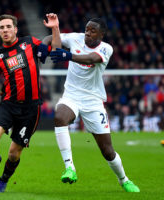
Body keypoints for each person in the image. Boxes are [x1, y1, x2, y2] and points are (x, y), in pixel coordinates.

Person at [43, 18, 140, 192]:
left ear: (101, 34)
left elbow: (91, 58)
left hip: (93, 101)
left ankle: (123, 179)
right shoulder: (75, 38)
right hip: (71, 95)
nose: (87, 33)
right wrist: (45, 44)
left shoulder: (106, 48)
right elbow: (50, 39)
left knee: (108, 151)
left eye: (92, 31)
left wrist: (68, 55)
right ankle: (70, 168)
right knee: (59, 117)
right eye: (86, 29)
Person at [0, 13, 59, 193]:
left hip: (31, 109)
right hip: (9, 104)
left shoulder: (29, 42)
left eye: (8, 26)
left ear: (15, 29)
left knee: (13, 153)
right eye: (2, 28)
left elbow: (56, 50)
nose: (5, 30)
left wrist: (55, 28)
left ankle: (3, 180)